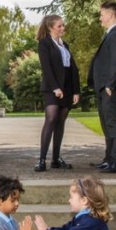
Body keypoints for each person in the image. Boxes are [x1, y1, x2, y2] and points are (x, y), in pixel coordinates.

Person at [35, 14, 81, 172]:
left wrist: (76, 90)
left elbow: (73, 69)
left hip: (68, 89)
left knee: (60, 122)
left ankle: (55, 159)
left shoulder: (65, 45)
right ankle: (42, 160)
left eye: (63, 25)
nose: (63, 28)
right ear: (50, 27)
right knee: (51, 119)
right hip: (51, 88)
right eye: (59, 26)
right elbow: (46, 68)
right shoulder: (44, 44)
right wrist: (55, 87)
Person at [87, 1, 116, 173]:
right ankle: (109, 159)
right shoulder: (111, 35)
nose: (100, 18)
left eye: (102, 14)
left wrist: (110, 85)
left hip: (110, 88)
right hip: (104, 88)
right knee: (106, 124)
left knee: (113, 125)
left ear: (111, 15)